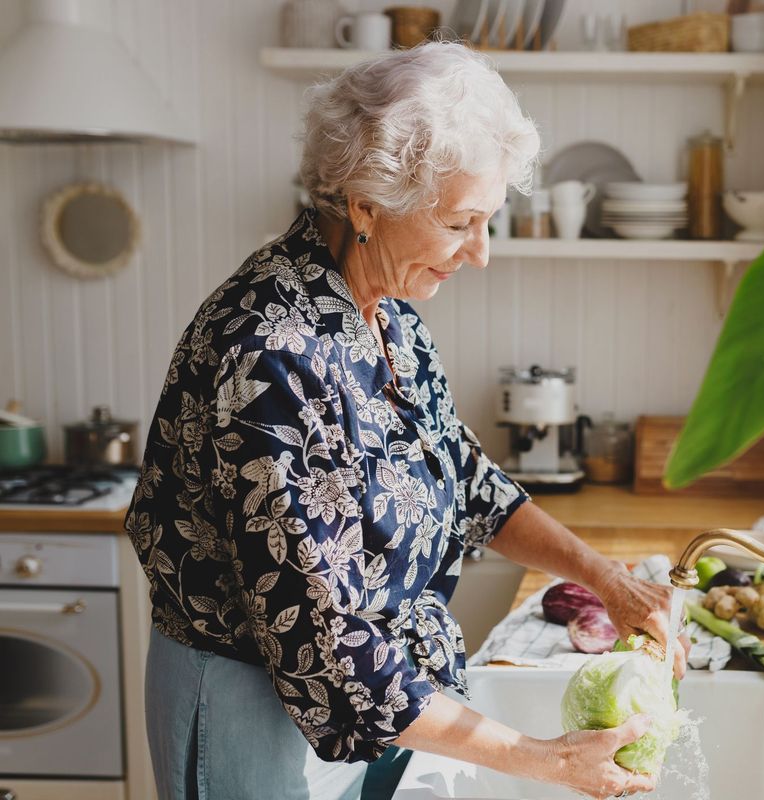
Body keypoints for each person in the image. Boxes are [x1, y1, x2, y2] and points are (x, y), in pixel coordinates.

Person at [126, 41, 686, 800]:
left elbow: (463, 476)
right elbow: (325, 645)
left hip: (387, 695)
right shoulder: (267, 356)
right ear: (366, 204)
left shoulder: (387, 313)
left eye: (487, 221)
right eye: (460, 223)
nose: (479, 253)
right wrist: (551, 760)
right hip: (255, 709)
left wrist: (608, 580)